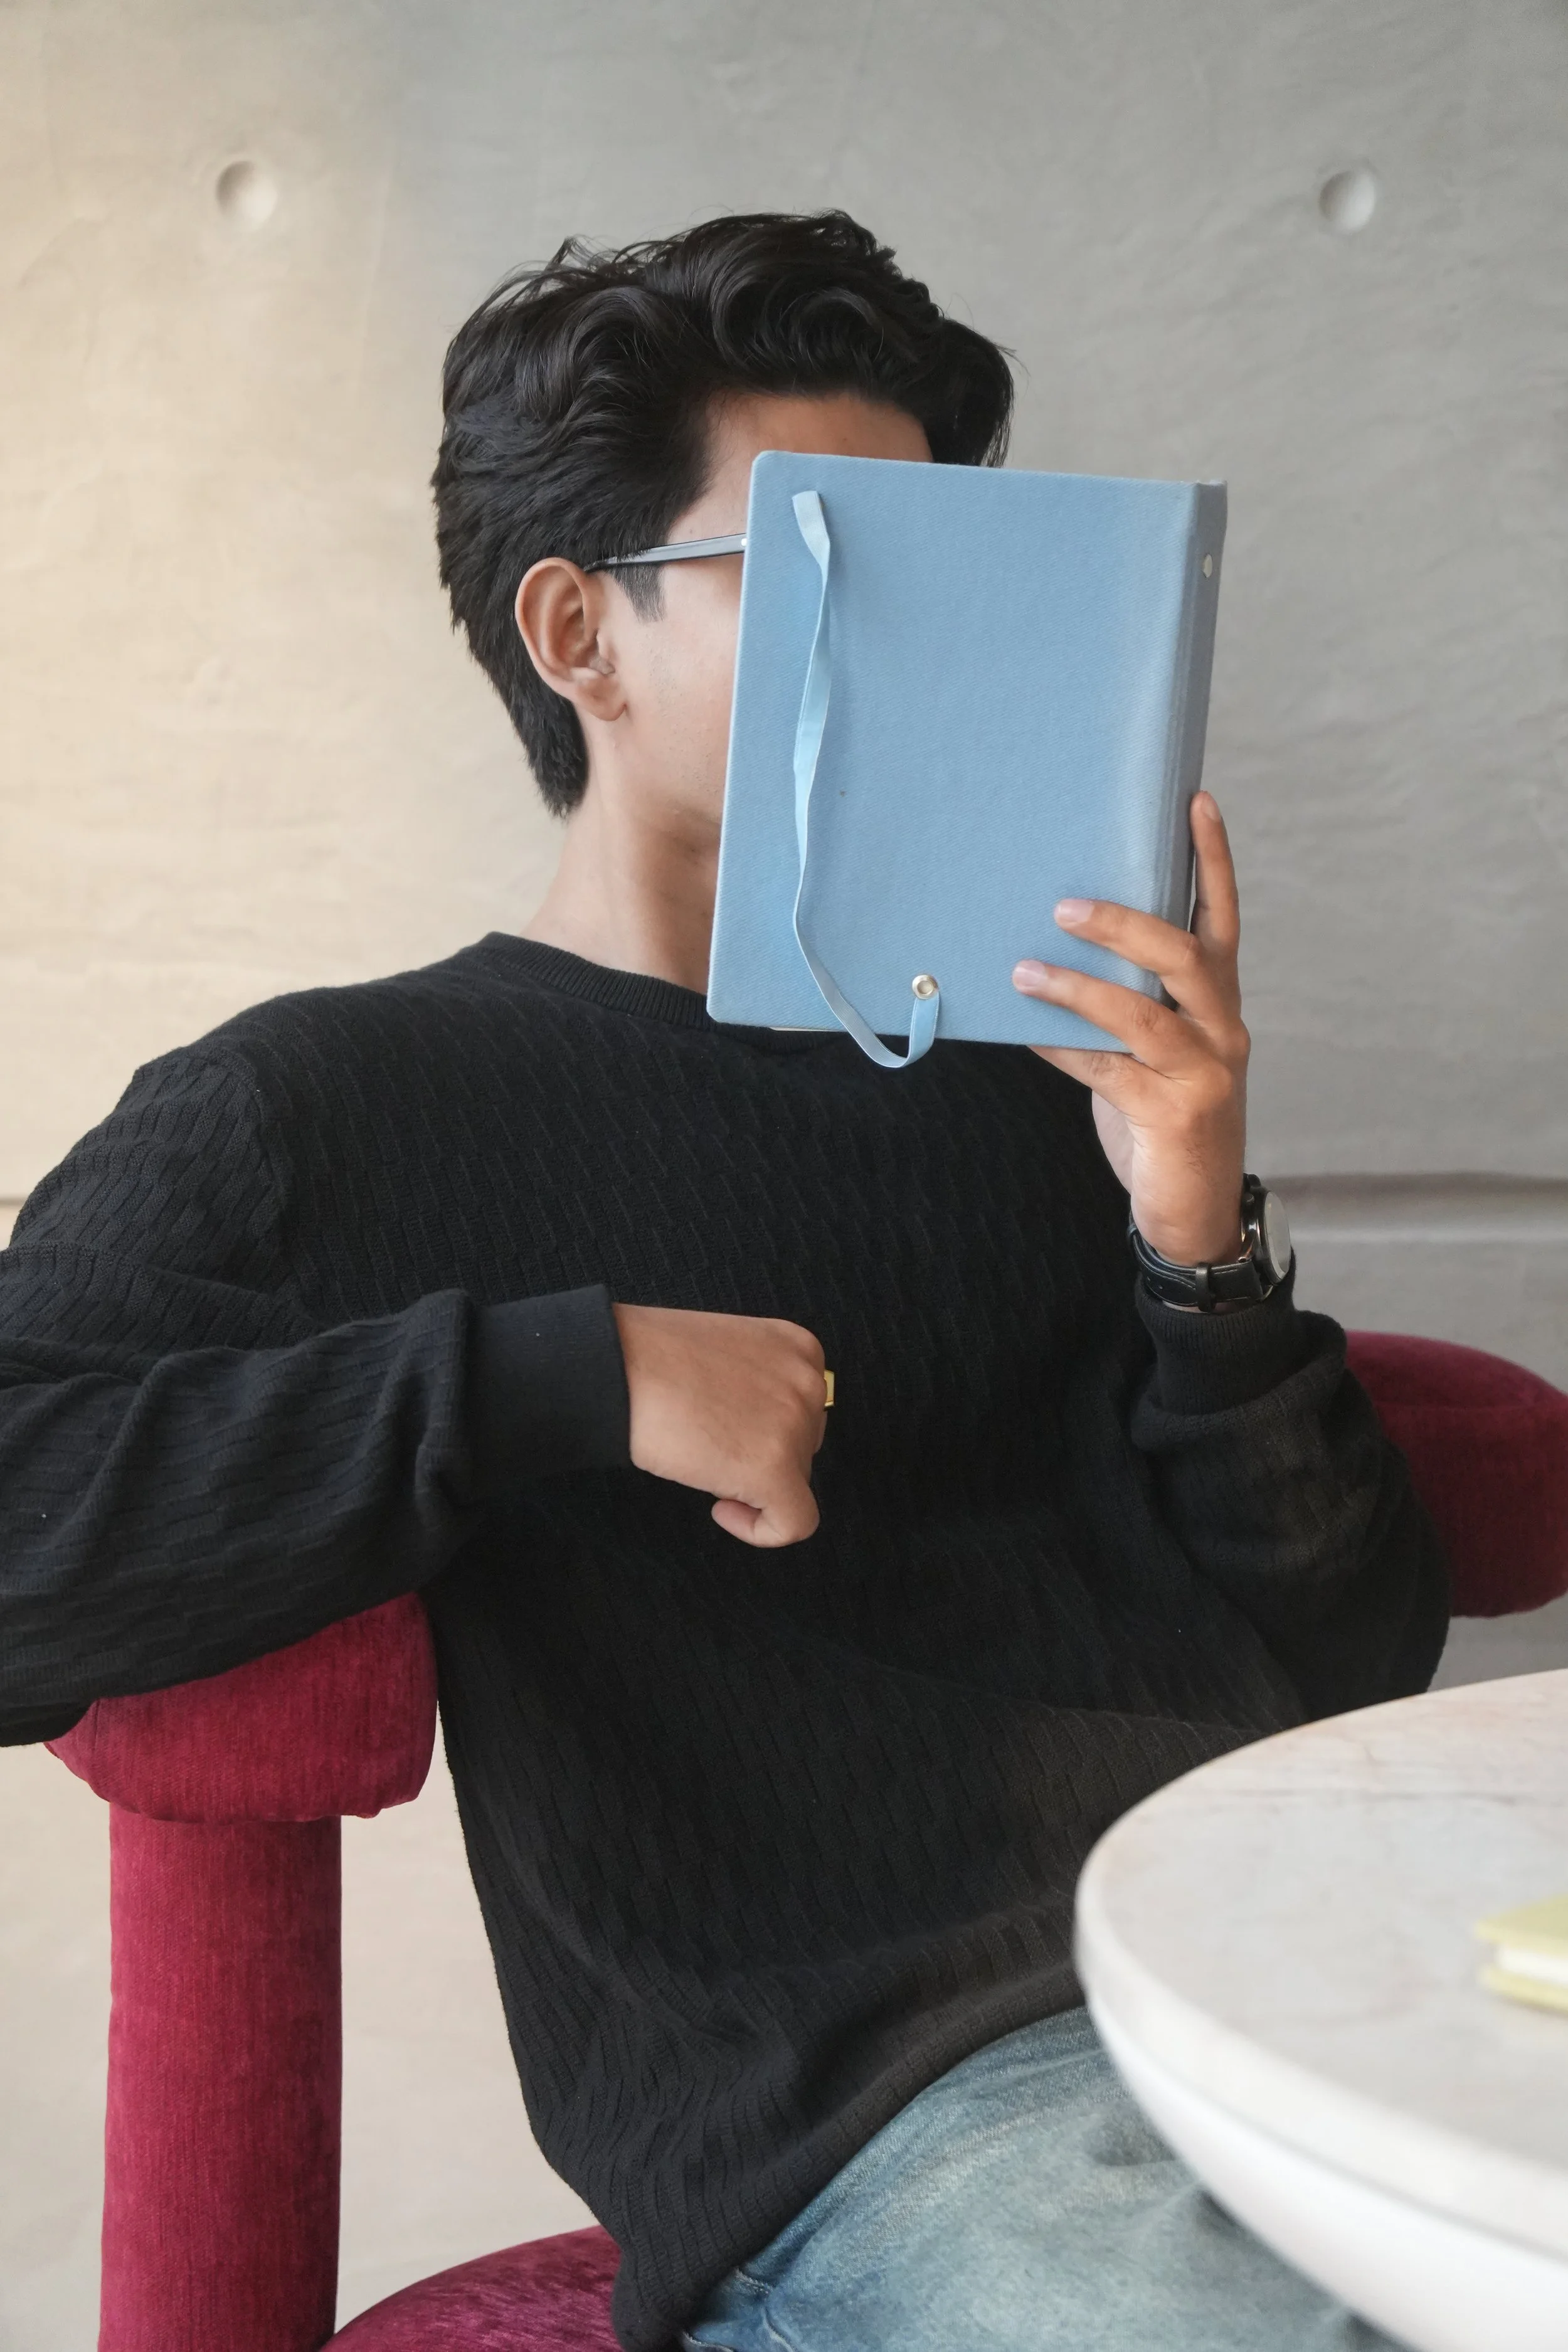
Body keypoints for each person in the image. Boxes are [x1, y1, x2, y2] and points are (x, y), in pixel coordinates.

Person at [0, 212, 1443, 2351]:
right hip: (916, 2125)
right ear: (580, 629)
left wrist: (1193, 1224)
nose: (941, 643)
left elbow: (1349, 1649)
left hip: (1316, 1986)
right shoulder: (327, 1104)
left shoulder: (1009, 1062)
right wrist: (560, 1378)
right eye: (844, 568)